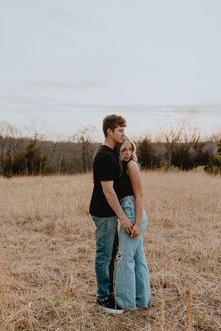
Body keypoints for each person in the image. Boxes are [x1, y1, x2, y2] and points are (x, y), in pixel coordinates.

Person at [89, 115, 133, 314]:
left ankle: (108, 292)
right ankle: (103, 298)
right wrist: (123, 217)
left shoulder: (110, 152)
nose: (123, 134)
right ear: (109, 131)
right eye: (120, 131)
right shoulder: (105, 156)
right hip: (104, 213)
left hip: (109, 213)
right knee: (104, 255)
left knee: (110, 253)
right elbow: (108, 191)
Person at [115, 137, 151, 310]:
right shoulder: (120, 167)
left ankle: (126, 303)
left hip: (132, 214)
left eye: (130, 149)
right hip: (129, 212)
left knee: (124, 259)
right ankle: (142, 300)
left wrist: (136, 223)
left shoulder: (131, 165)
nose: (128, 153)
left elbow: (138, 195)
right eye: (123, 150)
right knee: (137, 257)